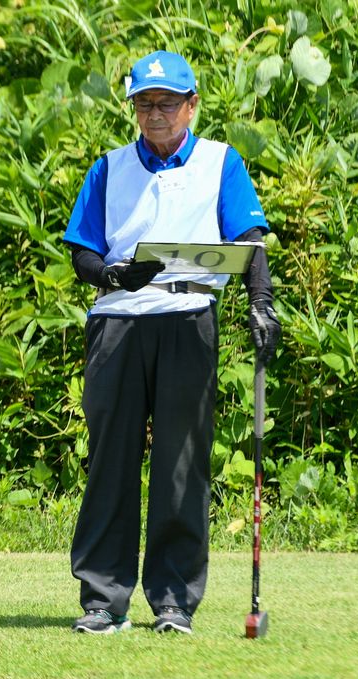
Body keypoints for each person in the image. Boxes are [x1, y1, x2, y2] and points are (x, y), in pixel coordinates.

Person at [62, 51, 280, 634]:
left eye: (165, 103)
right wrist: (109, 275)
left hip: (188, 314)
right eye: (143, 103)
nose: (153, 114)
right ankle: (103, 600)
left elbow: (250, 238)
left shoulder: (220, 162)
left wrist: (261, 302)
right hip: (118, 318)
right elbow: (82, 249)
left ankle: (174, 600)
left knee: (183, 461)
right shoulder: (108, 168)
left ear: (192, 105)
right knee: (112, 458)